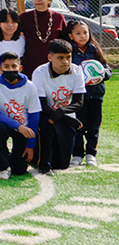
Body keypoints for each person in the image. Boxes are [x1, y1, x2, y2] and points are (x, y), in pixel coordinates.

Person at [31, 38, 85, 175]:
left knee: (62, 164)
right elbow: (41, 105)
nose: (65, 62)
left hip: (63, 115)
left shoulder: (77, 71)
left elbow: (79, 102)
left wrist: (62, 114)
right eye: (60, 58)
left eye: (68, 57)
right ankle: (43, 164)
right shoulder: (39, 72)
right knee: (47, 127)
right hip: (46, 115)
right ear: (50, 57)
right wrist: (68, 120)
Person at [63, 20, 111, 167]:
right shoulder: (68, 52)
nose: (82, 36)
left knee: (93, 126)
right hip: (78, 97)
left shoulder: (94, 50)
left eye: (85, 32)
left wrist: (102, 74)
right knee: (78, 125)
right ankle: (77, 154)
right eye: (78, 33)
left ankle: (91, 154)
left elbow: (107, 69)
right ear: (71, 36)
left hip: (96, 95)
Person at [0, 52, 39, 180]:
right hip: (8, 126)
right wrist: (18, 126)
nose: (10, 70)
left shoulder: (30, 86)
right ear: (0, 69)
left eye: (14, 66)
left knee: (19, 169)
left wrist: (30, 145)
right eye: (6, 66)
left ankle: (0, 155)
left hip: (24, 129)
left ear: (20, 68)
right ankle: (3, 167)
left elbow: (34, 116)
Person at [19, 0, 66, 75]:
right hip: (29, 66)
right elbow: (8, 29)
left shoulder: (58, 18)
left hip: (53, 66)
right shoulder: (24, 17)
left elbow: (66, 42)